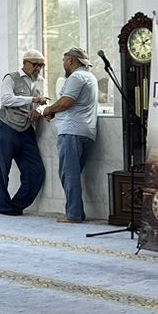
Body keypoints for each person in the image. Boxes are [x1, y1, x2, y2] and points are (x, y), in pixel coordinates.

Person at [42, 47, 100, 223]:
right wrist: (55, 111)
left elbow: (67, 102)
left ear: (71, 61)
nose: (63, 64)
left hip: (71, 131)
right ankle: (77, 212)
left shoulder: (76, 77)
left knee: (68, 174)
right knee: (72, 173)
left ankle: (73, 214)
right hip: (86, 131)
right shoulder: (90, 77)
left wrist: (49, 109)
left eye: (64, 61)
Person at [0, 49, 47, 216]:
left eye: (41, 65)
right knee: (3, 168)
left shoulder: (40, 81)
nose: (38, 68)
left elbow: (42, 102)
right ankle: (4, 206)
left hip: (27, 129)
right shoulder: (11, 78)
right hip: (6, 126)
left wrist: (38, 109)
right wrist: (32, 100)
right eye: (35, 64)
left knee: (36, 170)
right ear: (25, 63)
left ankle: (16, 205)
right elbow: (6, 99)